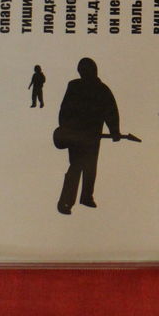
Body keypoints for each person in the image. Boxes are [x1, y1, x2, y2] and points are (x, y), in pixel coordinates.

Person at [57, 57, 120, 215]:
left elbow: (110, 111)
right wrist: (65, 128)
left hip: (88, 136)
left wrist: (114, 130)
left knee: (86, 167)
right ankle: (69, 201)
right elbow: (65, 109)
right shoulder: (84, 87)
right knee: (79, 166)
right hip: (79, 136)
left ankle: (84, 197)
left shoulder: (99, 89)